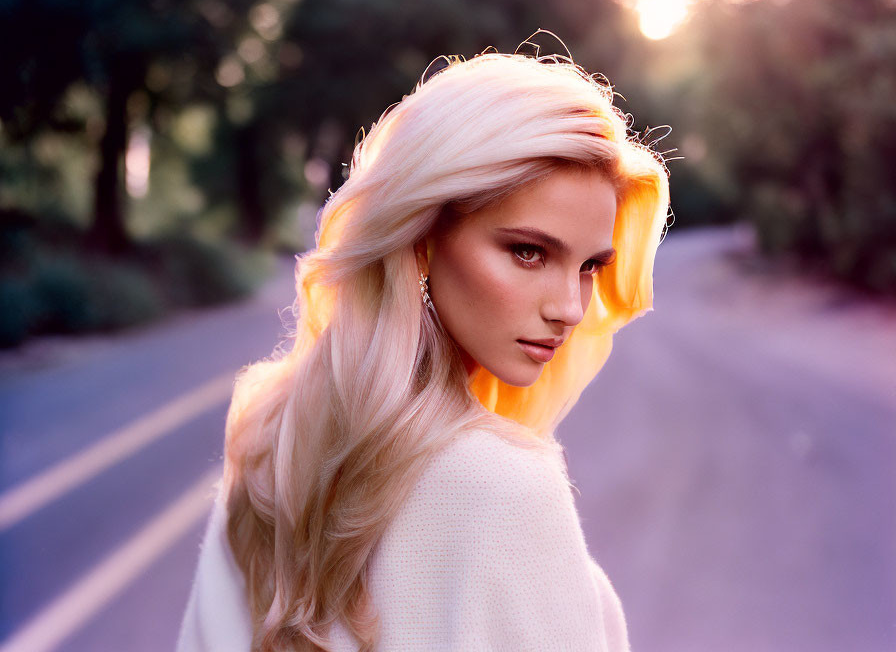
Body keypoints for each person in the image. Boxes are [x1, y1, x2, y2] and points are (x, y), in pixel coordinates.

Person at [176, 35, 671, 652]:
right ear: (420, 237)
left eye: (590, 266)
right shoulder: (506, 487)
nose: (570, 308)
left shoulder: (270, 431)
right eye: (528, 251)